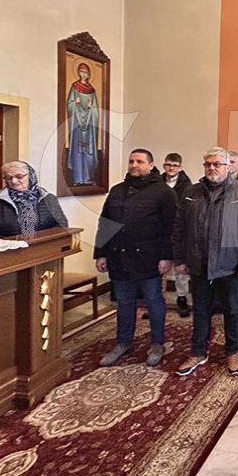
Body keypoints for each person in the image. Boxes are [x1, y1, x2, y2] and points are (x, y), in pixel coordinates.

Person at [173, 147, 238, 377]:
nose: (212, 168)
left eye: (217, 164)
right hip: (199, 263)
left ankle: (232, 352)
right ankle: (198, 352)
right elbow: (179, 228)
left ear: (227, 166)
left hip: (229, 265)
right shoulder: (191, 193)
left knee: (232, 311)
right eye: (208, 164)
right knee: (200, 310)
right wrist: (180, 258)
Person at [94, 149, 177, 367]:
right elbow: (106, 223)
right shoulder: (117, 190)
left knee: (153, 301)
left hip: (149, 258)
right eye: (131, 161)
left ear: (151, 165)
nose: (134, 165)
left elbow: (171, 227)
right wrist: (100, 252)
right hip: (119, 257)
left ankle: (157, 343)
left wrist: (167, 257)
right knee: (124, 302)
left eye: (140, 161)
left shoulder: (163, 192)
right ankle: (123, 342)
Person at [0, 161, 68, 240]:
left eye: (19, 176)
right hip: (8, 251)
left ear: (31, 176)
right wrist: (8, 242)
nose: (14, 181)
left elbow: (61, 224)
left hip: (43, 247)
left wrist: (43, 239)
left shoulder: (48, 198)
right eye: (9, 178)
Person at [161, 152, 192, 317]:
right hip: (160, 232)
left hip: (180, 231)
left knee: (181, 269)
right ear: (164, 166)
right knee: (160, 268)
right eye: (168, 165)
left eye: (174, 165)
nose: (171, 168)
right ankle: (158, 302)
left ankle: (182, 299)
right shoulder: (157, 183)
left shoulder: (188, 186)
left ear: (180, 167)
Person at [66, 63, 100, 185]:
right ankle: (78, 178)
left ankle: (88, 178)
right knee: (78, 151)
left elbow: (96, 110)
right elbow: (69, 105)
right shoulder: (75, 87)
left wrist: (91, 108)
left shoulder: (91, 90)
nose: (84, 74)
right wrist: (75, 103)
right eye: (82, 72)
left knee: (88, 151)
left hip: (89, 127)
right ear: (78, 73)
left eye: (86, 72)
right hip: (77, 125)